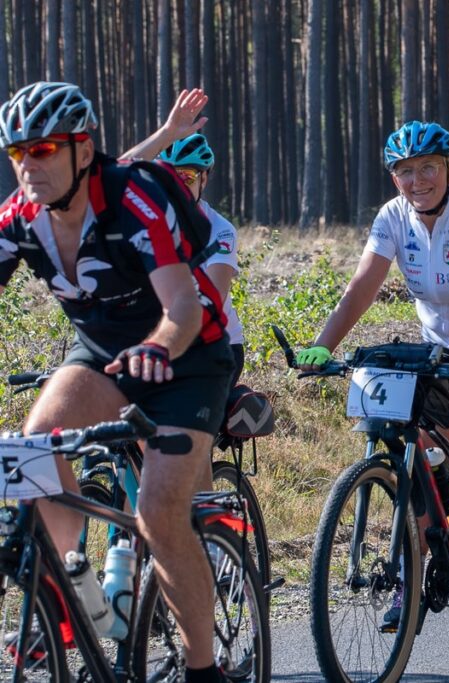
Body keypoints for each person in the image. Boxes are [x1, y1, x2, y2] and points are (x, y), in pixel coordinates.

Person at [0, 81, 235, 683]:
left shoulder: (134, 202)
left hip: (186, 358)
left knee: (159, 514)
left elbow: (183, 306)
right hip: (104, 354)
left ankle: (203, 667)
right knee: (37, 446)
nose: (29, 165)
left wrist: (158, 346)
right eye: (17, 153)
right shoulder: (19, 219)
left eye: (45, 149)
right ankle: (62, 599)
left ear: (84, 151)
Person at [295, 121, 449, 542]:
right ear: (395, 179)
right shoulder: (392, 217)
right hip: (440, 345)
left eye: (428, 167)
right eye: (406, 171)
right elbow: (361, 288)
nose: (417, 181)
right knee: (421, 451)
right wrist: (322, 346)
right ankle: (412, 574)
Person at [121, 89, 245, 387]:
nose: (176, 184)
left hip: (215, 344)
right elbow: (111, 175)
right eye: (168, 175)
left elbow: (213, 298)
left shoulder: (220, 228)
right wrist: (166, 133)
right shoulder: (144, 216)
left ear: (204, 178)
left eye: (187, 176)